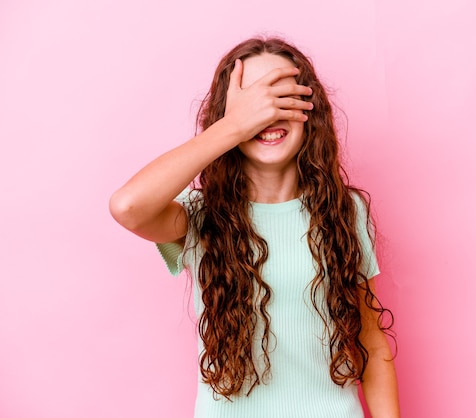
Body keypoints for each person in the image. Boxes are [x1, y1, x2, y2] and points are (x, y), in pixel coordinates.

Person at [109, 37, 399, 418]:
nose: (267, 115)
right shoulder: (199, 215)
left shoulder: (346, 211)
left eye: (282, 99)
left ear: (309, 111)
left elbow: (372, 344)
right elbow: (128, 206)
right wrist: (233, 127)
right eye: (253, 103)